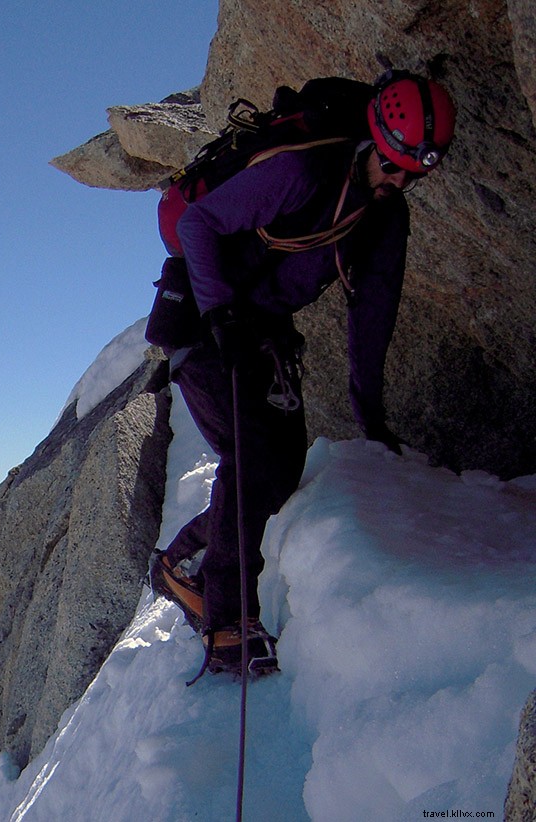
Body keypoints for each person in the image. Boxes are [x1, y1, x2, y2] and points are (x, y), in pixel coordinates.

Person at [149, 71, 457, 678]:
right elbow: (197, 226)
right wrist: (220, 318)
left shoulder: (384, 221)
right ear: (373, 142)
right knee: (253, 459)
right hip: (205, 321)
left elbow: (372, 323)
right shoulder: (305, 171)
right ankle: (227, 621)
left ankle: (179, 566)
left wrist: (373, 421)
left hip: (260, 329)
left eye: (413, 174)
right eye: (392, 167)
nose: (399, 182)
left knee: (279, 474)